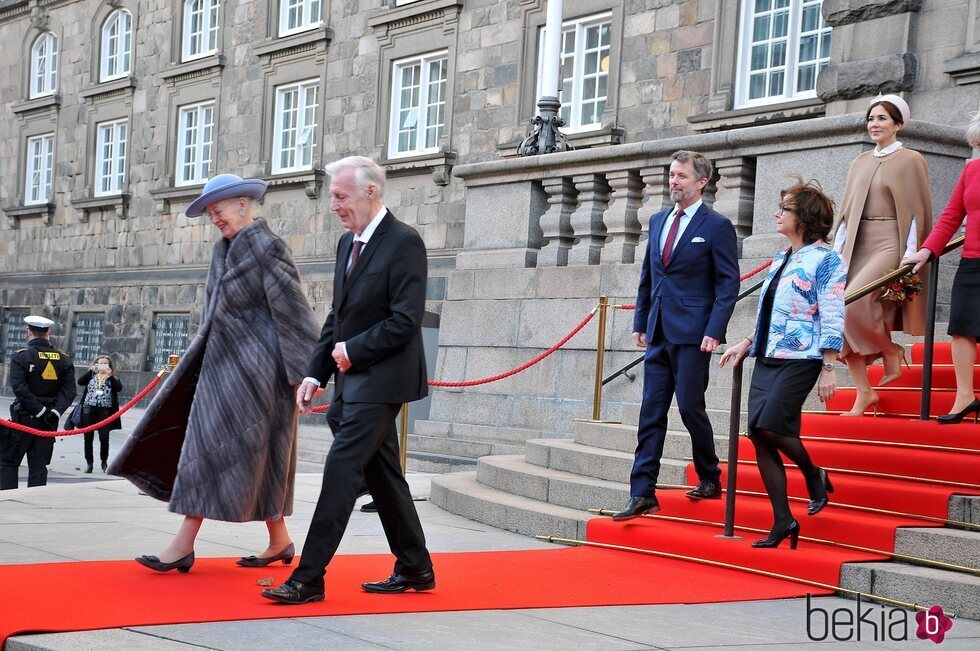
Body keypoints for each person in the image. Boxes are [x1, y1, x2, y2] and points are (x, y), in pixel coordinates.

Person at [108, 173, 319, 573]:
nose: (214, 219)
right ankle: (279, 540)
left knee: (211, 454)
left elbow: (293, 311)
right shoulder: (225, 248)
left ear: (243, 204)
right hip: (220, 370)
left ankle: (182, 545)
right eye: (209, 214)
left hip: (256, 377)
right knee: (257, 459)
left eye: (217, 210)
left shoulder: (267, 247)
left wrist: (305, 376)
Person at [262, 156, 433, 604]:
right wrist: (314, 373)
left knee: (340, 473)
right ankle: (416, 567)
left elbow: (406, 320)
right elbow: (337, 317)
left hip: (384, 380)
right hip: (352, 379)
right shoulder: (346, 243)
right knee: (385, 477)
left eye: (340, 195)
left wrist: (354, 351)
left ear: (370, 191)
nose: (333, 205)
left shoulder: (404, 242)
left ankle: (308, 578)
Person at [612, 150, 740, 521]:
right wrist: (640, 322)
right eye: (671, 174)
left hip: (694, 335)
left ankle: (710, 476)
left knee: (689, 408)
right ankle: (642, 493)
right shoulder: (657, 220)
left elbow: (727, 284)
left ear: (701, 182)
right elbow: (649, 277)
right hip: (658, 331)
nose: (674, 181)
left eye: (681, 176)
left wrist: (714, 331)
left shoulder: (716, 226)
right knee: (651, 412)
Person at [720, 179, 847, 549]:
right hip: (769, 356)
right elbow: (769, 310)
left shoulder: (827, 260)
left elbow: (833, 313)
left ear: (804, 218)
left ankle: (813, 473)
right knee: (758, 433)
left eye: (785, 209)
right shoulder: (782, 257)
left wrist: (829, 365)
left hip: (804, 356)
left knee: (772, 426)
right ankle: (783, 520)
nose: (777, 214)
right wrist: (747, 342)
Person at [833, 94, 932, 416]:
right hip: (858, 243)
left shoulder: (911, 159)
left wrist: (910, 254)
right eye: (871, 118)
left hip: (891, 241)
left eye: (882, 119)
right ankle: (865, 392)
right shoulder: (859, 161)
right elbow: (847, 212)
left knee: (854, 301)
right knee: (837, 310)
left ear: (898, 125)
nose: (874, 124)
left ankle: (889, 350)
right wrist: (838, 253)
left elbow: (915, 210)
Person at [903, 112, 980, 424]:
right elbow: (952, 214)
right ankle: (965, 397)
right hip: (972, 259)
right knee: (961, 327)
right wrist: (927, 250)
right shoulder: (972, 169)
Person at [1, 316, 76, 490]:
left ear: (29, 332)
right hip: (49, 422)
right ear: (48, 332)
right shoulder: (63, 359)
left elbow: (19, 387)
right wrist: (54, 412)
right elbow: (69, 391)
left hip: (24, 420)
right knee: (39, 467)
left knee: (9, 463)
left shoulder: (22, 356)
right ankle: (35, 502)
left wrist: (38, 410)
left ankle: (9, 500)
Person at [75, 355, 123, 473]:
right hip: (89, 408)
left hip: (105, 410)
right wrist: (91, 370)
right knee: (88, 437)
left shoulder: (113, 378)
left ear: (109, 366)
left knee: (104, 437)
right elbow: (80, 382)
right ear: (96, 364)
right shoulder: (91, 375)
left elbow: (119, 388)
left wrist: (110, 375)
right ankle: (89, 463)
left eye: (105, 363)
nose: (102, 366)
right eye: (100, 363)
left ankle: (104, 461)